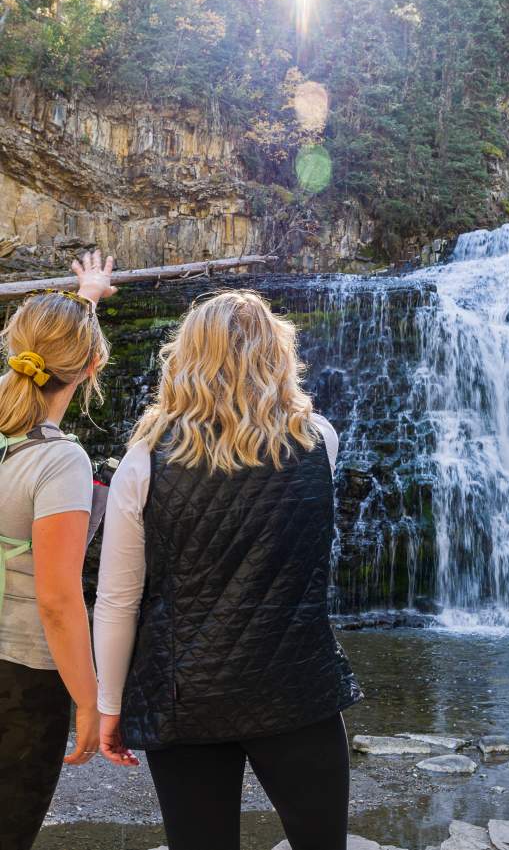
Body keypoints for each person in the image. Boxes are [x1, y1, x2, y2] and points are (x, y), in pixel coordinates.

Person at [94, 289, 363, 850]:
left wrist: (110, 706)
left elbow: (119, 599)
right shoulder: (319, 441)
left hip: (184, 696)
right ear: (277, 354)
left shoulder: (144, 460)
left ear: (186, 356)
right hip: (298, 688)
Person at [0, 253, 118, 850]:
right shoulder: (60, 460)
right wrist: (90, 698)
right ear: (95, 364)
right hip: (19, 677)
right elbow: (57, 601)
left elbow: (47, 354)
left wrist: (84, 299)